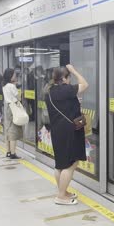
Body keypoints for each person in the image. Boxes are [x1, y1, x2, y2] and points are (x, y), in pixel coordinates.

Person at [45, 64, 89, 205]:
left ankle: (62, 192)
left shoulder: (49, 91)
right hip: (70, 130)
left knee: (60, 164)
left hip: (57, 130)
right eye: (68, 77)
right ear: (64, 78)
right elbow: (85, 84)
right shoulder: (66, 90)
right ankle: (61, 197)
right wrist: (74, 70)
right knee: (70, 164)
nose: (70, 80)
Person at [2, 68, 23, 159]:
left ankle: (8, 152)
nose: (15, 76)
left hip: (7, 107)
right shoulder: (11, 86)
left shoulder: (5, 85)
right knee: (13, 130)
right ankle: (13, 153)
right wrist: (20, 92)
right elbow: (18, 97)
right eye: (14, 74)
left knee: (7, 129)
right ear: (10, 76)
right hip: (13, 108)